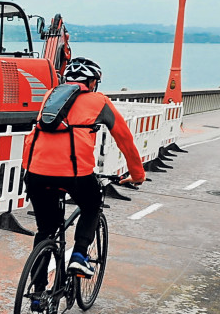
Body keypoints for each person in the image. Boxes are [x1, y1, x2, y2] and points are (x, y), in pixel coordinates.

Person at [21, 57, 146, 277]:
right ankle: (79, 255)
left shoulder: (50, 96)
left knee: (46, 230)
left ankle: (37, 299)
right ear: (92, 83)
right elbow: (124, 139)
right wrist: (137, 174)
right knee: (92, 203)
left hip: (35, 173)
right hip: (75, 175)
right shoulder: (99, 101)